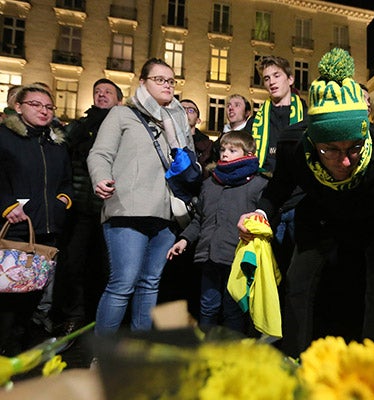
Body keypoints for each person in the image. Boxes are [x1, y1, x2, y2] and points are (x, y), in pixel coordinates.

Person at [238, 48, 374, 358]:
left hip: (370, 227)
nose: (344, 161)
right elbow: (279, 187)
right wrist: (262, 212)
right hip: (319, 221)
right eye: (330, 150)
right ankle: (295, 361)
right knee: (299, 287)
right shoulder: (293, 145)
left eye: (354, 149)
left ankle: (368, 367)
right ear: (314, 143)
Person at [87, 58, 194, 336]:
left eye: (171, 81)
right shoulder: (122, 114)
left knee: (150, 284)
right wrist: (100, 177)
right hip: (128, 209)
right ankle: (104, 356)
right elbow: (100, 153)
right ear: (143, 82)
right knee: (123, 283)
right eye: (159, 79)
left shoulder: (179, 121)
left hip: (168, 213)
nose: (167, 85)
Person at [167, 130, 268, 333]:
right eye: (222, 149)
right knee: (207, 307)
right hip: (210, 257)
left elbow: (265, 218)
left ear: (248, 154)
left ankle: (231, 356)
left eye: (232, 150)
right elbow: (200, 219)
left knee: (233, 310)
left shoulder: (259, 184)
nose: (225, 154)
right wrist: (185, 239)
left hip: (238, 258)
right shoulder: (210, 183)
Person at [0, 84, 72, 355]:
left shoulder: (56, 143)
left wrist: (63, 201)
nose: (44, 111)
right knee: (7, 297)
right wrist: (6, 206)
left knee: (33, 295)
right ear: (18, 107)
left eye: (49, 106)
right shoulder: (5, 137)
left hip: (45, 232)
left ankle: (17, 352)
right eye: (36, 105)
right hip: (13, 231)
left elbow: (67, 181)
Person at [52, 78, 123, 338]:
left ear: (119, 100)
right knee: (74, 263)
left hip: (111, 208)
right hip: (81, 207)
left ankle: (100, 317)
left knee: (106, 266)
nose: (102, 95)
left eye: (108, 92)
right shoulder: (80, 126)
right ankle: (75, 315)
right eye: (98, 91)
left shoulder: (123, 127)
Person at [252, 55, 307, 273]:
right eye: (266, 78)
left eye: (277, 75)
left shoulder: (307, 115)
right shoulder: (257, 118)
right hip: (269, 200)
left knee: (298, 271)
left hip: (299, 199)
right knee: (271, 270)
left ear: (290, 79)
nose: (272, 82)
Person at [180, 99, 213, 177]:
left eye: (191, 110)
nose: (186, 112)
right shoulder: (163, 137)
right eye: (181, 109)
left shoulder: (207, 145)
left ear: (198, 120)